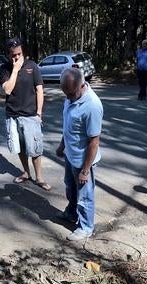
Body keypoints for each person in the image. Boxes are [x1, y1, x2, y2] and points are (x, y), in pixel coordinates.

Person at [55, 68, 103, 241]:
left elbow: (94, 141)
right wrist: (62, 145)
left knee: (85, 196)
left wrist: (85, 170)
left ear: (81, 85)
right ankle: (71, 214)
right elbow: (69, 125)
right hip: (71, 155)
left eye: (70, 94)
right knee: (70, 187)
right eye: (65, 94)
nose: (67, 98)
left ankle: (86, 227)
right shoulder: (71, 96)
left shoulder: (92, 105)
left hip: (84, 161)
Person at [0, 37, 50, 190]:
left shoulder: (32, 66)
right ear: (8, 54)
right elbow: (7, 89)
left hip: (30, 115)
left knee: (34, 148)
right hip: (13, 115)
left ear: (23, 52)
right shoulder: (5, 69)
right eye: (13, 55)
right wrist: (15, 69)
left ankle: (39, 177)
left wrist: (39, 113)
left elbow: (39, 90)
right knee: (20, 147)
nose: (16, 57)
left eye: (19, 54)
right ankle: (26, 172)